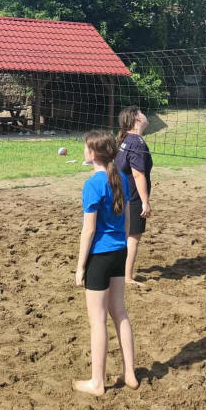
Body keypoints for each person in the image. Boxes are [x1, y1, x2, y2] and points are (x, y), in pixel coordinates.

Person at [73, 130, 138, 396]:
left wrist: (80, 266)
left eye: (85, 148)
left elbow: (88, 230)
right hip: (119, 252)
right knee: (120, 313)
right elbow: (127, 221)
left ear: (92, 154)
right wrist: (120, 244)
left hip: (100, 257)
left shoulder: (93, 184)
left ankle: (97, 382)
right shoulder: (121, 178)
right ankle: (130, 373)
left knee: (98, 320)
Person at [115, 106, 153, 286]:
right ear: (137, 118)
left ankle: (118, 270)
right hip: (133, 196)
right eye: (142, 112)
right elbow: (138, 175)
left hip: (121, 193)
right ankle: (127, 277)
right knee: (133, 236)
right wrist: (145, 201)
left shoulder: (126, 139)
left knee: (124, 234)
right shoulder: (137, 142)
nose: (145, 115)